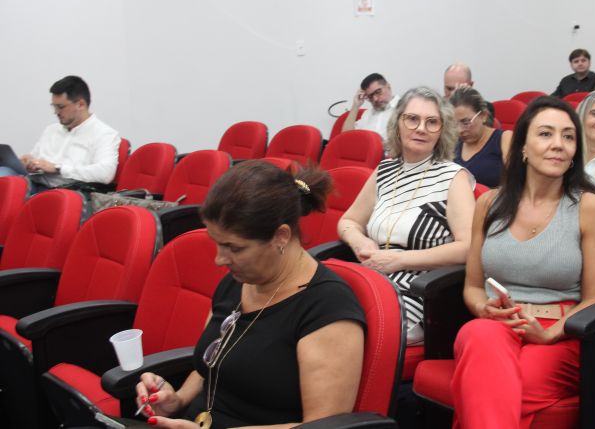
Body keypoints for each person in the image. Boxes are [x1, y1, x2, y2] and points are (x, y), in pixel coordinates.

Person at [136, 161, 366, 428]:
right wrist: (178, 400)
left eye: (234, 248)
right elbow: (215, 360)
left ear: (281, 236)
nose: (219, 259)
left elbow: (323, 425)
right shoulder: (238, 281)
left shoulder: (327, 308)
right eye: (217, 244)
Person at [451, 96, 595, 427]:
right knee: (477, 335)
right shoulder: (489, 204)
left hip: (560, 331)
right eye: (545, 134)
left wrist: (550, 334)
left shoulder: (589, 207)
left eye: (568, 136)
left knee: (494, 387)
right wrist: (483, 308)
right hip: (497, 325)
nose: (558, 145)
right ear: (522, 146)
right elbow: (472, 286)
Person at [337, 86, 475, 344]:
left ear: (442, 130)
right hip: (372, 278)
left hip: (420, 292)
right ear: (398, 123)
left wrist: (399, 260)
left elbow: (468, 248)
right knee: (315, 314)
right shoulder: (385, 170)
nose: (421, 128)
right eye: (412, 119)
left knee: (343, 333)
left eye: (432, 122)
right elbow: (348, 221)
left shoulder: (453, 177)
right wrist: (360, 241)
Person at [0, 76, 120, 190]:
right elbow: (36, 159)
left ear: (81, 104)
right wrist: (29, 162)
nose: (56, 112)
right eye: (54, 106)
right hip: (35, 184)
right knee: (4, 173)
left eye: (61, 107)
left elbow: (105, 174)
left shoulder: (104, 134)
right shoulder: (51, 130)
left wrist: (58, 168)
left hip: (66, 193)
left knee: (5, 178)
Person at [451, 87, 511, 188]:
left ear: (483, 115)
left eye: (466, 122)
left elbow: (517, 184)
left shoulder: (504, 139)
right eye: (454, 124)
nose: (459, 130)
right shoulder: (454, 144)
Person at [341, 73, 398, 140]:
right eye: (370, 96)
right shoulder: (367, 114)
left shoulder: (403, 107)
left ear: (388, 87)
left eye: (378, 92)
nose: (375, 99)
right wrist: (355, 105)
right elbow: (346, 136)